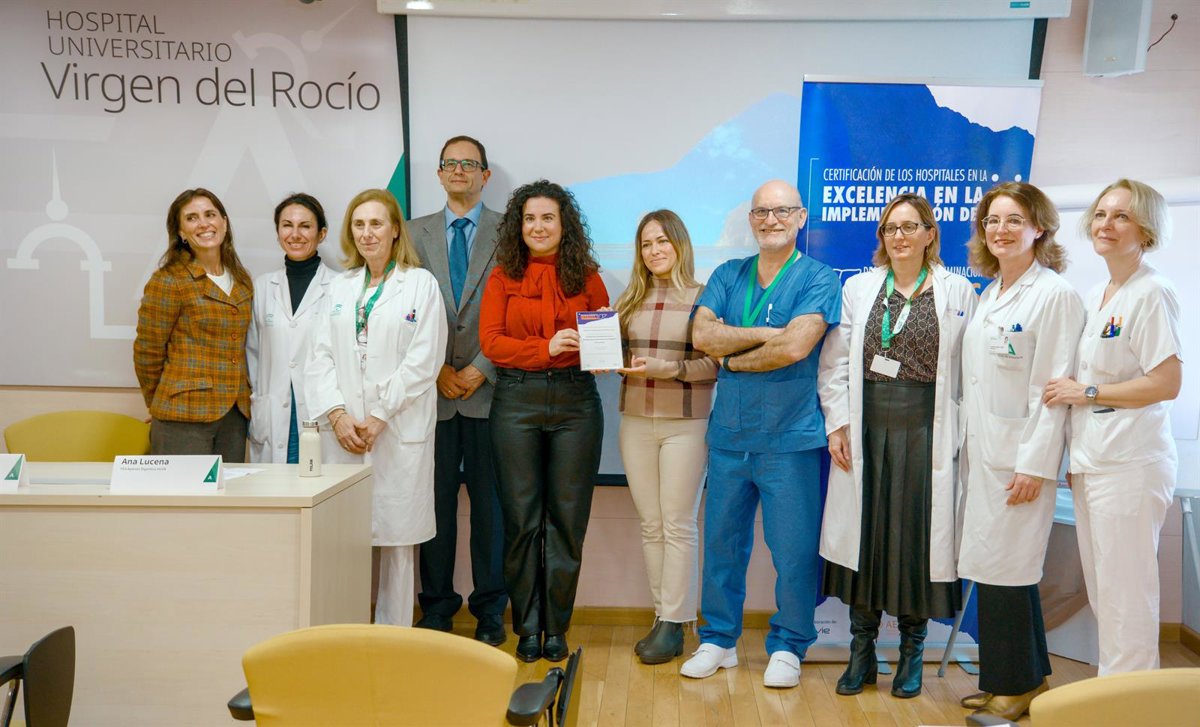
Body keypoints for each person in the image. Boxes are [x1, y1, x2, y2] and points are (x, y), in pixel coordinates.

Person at [679, 180, 841, 689]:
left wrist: (732, 358)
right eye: (762, 212)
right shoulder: (728, 274)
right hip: (730, 436)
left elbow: (795, 347)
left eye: (782, 211)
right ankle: (719, 640)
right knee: (721, 546)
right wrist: (764, 335)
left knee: (793, 551)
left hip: (789, 439)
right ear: (751, 219)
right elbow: (702, 335)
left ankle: (790, 644)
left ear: (801, 217)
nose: (771, 220)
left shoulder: (818, 277)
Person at [818, 193, 977, 698]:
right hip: (866, 426)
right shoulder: (860, 288)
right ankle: (861, 652)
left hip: (927, 431)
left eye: (910, 227)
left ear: (930, 234)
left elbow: (970, 372)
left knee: (915, 543)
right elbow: (835, 363)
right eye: (890, 228)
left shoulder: (958, 291)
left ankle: (912, 653)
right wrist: (838, 425)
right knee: (864, 538)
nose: (899, 236)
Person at [1042, 179, 1182, 675]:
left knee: (1127, 597)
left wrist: (1087, 392)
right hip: (1095, 462)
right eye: (1101, 214)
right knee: (1106, 594)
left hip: (1130, 463)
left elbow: (1166, 382)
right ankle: (1115, 697)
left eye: (1121, 216)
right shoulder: (1098, 293)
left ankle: (1133, 704)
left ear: (1146, 229)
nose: (1106, 224)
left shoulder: (1152, 292)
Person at [957, 181, 1085, 722]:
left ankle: (1015, 686)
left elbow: (1052, 389)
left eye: (1014, 220)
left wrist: (1035, 465)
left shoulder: (1054, 295)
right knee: (997, 571)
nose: (1001, 230)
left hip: (1019, 461)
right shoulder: (991, 293)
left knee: (1008, 572)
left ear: (1039, 228)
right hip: (984, 455)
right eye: (992, 220)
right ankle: (1023, 678)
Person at [478, 179, 608, 663]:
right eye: (529, 218)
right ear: (519, 225)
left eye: (547, 218)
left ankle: (557, 627)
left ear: (563, 224)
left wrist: (603, 353)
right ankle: (527, 628)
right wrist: (545, 348)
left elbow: (603, 337)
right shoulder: (502, 277)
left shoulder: (588, 277)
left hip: (577, 404)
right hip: (516, 402)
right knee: (521, 521)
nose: (538, 226)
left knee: (567, 522)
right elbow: (491, 343)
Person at [305, 189, 448, 627]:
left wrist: (381, 414)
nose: (367, 233)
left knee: (397, 541)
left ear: (395, 230)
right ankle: (343, 629)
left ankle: (393, 634)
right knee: (342, 537)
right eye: (359, 225)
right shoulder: (339, 287)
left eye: (376, 224)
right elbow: (319, 356)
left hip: (397, 429)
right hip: (346, 432)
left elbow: (424, 360)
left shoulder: (420, 284)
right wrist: (337, 415)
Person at [409, 135, 508, 645]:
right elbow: (399, 311)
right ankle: (437, 606)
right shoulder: (411, 233)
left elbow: (517, 306)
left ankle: (490, 611)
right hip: (431, 395)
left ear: (485, 175)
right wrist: (435, 370)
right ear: (439, 173)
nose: (459, 170)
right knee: (434, 506)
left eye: (469, 163)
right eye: (450, 163)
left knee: (492, 510)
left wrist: (482, 368)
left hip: (491, 391)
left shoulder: (511, 231)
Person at [614, 210, 718, 664]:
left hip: (686, 423)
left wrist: (668, 369)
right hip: (635, 421)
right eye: (646, 244)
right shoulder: (629, 300)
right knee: (651, 524)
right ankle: (663, 618)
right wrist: (597, 358)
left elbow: (714, 365)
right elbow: (614, 354)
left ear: (679, 244)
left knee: (677, 524)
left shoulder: (704, 297)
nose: (654, 250)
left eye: (662, 241)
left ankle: (676, 622)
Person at [134, 188, 253, 462]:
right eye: (192, 218)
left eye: (210, 214)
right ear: (181, 233)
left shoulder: (241, 279)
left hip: (234, 415)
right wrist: (160, 402)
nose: (203, 223)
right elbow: (147, 351)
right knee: (182, 490)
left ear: (224, 222)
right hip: (183, 415)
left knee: (228, 489)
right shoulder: (169, 280)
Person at [246, 193, 338, 463]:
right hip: (273, 412)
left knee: (317, 482)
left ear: (322, 234)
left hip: (319, 409)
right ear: (277, 233)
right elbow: (252, 354)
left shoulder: (340, 287)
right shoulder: (262, 287)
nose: (295, 234)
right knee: (276, 486)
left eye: (305, 226)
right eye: (287, 225)